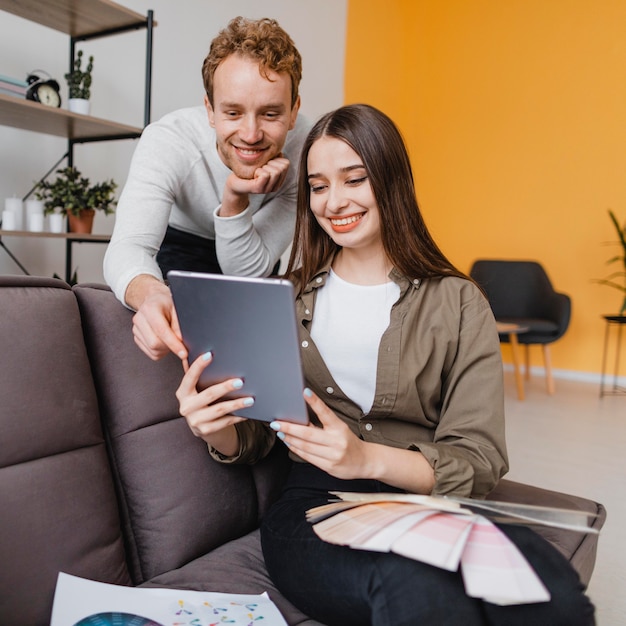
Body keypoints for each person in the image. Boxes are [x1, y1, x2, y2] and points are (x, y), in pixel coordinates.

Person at [175, 104, 594, 625]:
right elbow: (260, 434)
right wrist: (214, 427)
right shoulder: (286, 297)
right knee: (415, 587)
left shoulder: (461, 303)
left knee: (548, 587)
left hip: (423, 501)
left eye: (355, 179)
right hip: (315, 509)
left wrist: (366, 460)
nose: (336, 201)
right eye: (319, 186)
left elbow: (479, 457)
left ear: (391, 181)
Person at [103, 16, 311, 361]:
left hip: (252, 247)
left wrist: (234, 198)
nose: (250, 134)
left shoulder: (307, 148)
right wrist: (153, 294)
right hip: (180, 244)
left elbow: (247, 273)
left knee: (254, 360)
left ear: (293, 111)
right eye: (232, 112)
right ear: (209, 110)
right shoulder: (169, 141)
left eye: (271, 114)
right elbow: (128, 247)